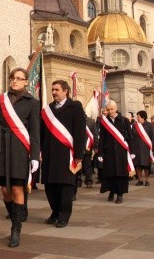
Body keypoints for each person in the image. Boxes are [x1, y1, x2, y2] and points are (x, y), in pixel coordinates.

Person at [0, 67, 40, 248]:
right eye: (12, 78)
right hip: (1, 147)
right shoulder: (2, 100)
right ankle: (16, 215)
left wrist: (35, 157)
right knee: (5, 191)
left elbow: (34, 132)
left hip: (20, 149)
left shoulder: (32, 102)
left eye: (19, 78)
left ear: (25, 82)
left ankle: (16, 228)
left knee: (16, 189)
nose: (14, 81)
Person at [40, 80, 86, 228]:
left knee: (65, 186)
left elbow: (80, 132)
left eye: (57, 90)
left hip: (67, 154)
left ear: (65, 91)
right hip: (49, 153)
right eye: (52, 89)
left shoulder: (75, 107)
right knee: (50, 187)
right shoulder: (48, 109)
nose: (53, 92)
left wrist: (79, 154)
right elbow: (42, 132)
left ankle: (63, 216)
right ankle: (55, 212)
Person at [98, 100, 132, 204]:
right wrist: (100, 153)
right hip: (109, 152)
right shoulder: (104, 122)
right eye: (108, 109)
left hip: (121, 152)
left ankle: (120, 194)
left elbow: (130, 137)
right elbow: (102, 138)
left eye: (112, 109)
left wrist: (132, 151)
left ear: (116, 109)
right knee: (110, 173)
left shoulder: (124, 120)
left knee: (121, 174)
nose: (110, 111)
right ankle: (112, 191)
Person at [131, 111, 154, 186]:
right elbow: (132, 136)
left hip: (146, 149)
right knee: (138, 165)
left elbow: (153, 137)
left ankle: (147, 180)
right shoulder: (134, 125)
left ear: (143, 117)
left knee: (146, 165)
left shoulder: (149, 125)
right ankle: (140, 180)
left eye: (138, 117)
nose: (137, 118)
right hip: (136, 148)